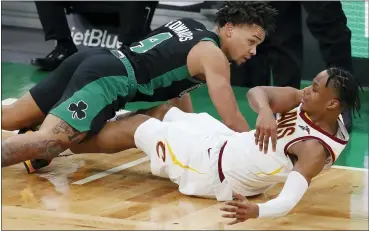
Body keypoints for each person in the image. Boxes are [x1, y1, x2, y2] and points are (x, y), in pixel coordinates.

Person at [49, 67, 360, 223]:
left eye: (315, 89)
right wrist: (265, 111)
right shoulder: (305, 102)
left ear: (332, 104)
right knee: (164, 111)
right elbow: (256, 92)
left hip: (211, 171)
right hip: (225, 142)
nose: (306, 90)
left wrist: (256, 212)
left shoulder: (313, 150)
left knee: (137, 128)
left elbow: (288, 201)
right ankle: (76, 128)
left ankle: (53, 145)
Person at [1, 2, 278, 170]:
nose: (252, 51)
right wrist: (260, 152)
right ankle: (42, 138)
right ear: (229, 28)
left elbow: (176, 96)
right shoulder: (214, 56)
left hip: (94, 59)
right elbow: (231, 118)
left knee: (10, 116)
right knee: (51, 142)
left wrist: (191, 130)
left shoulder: (190, 25)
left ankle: (43, 132)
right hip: (108, 81)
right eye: (251, 41)